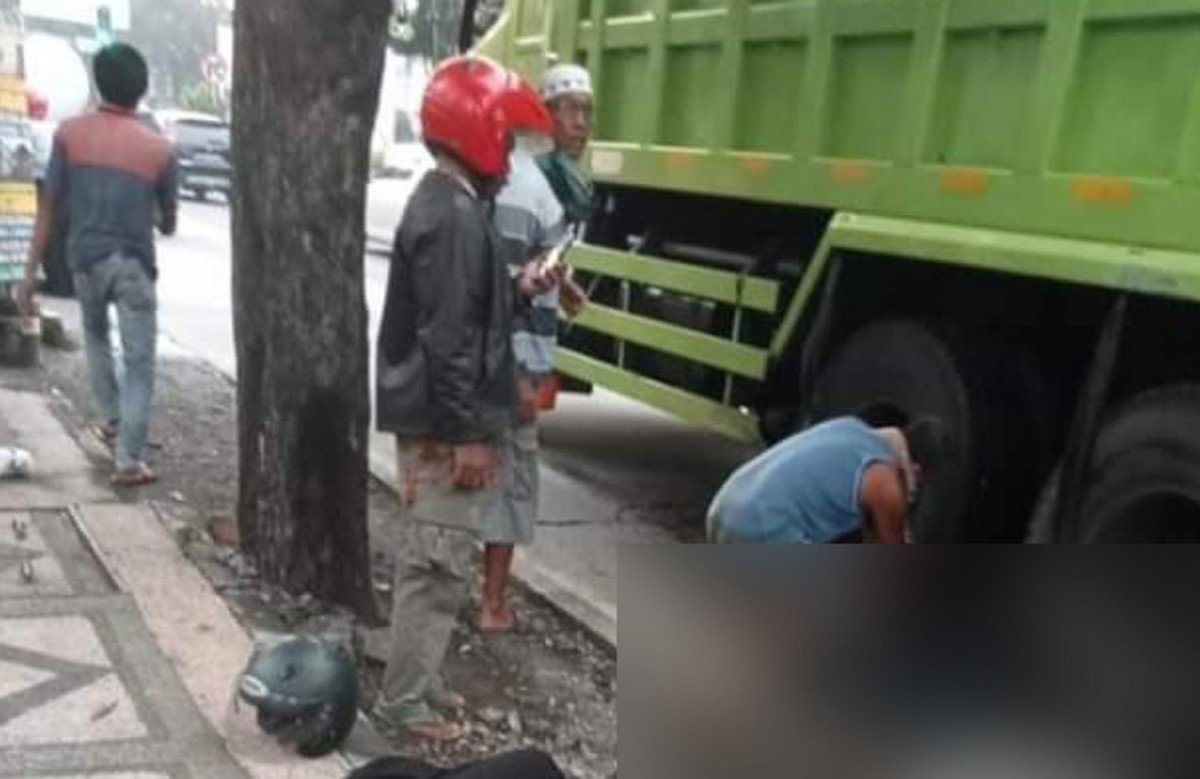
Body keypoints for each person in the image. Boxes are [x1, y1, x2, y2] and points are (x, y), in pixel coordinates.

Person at [373, 56, 555, 742]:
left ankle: (415, 680)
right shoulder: (451, 215)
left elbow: (468, 311)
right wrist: (466, 435)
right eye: (505, 139)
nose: (509, 157)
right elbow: (449, 339)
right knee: (434, 563)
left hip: (440, 415)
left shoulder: (452, 206)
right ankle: (403, 703)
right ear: (475, 130)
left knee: (438, 560)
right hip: (443, 422)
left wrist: (521, 289)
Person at [20, 43, 177, 486]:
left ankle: (111, 417)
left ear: (98, 82)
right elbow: (167, 224)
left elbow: (48, 206)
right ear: (142, 89)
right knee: (140, 359)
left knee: (95, 336)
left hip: (83, 262)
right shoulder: (160, 150)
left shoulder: (69, 135)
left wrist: (30, 274)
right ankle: (129, 459)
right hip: (133, 265)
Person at [479, 63, 596, 634]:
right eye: (568, 109)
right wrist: (527, 372)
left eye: (587, 111)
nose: (581, 123)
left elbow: (529, 262)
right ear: (539, 116)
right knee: (513, 475)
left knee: (492, 474)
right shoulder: (532, 187)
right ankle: (491, 603)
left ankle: (482, 594)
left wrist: (562, 281)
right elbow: (504, 275)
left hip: (506, 354)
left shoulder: (538, 183)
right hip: (516, 359)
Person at [706, 416, 947, 544]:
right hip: (760, 528)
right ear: (916, 471)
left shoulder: (850, 427)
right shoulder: (886, 485)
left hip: (723, 508)